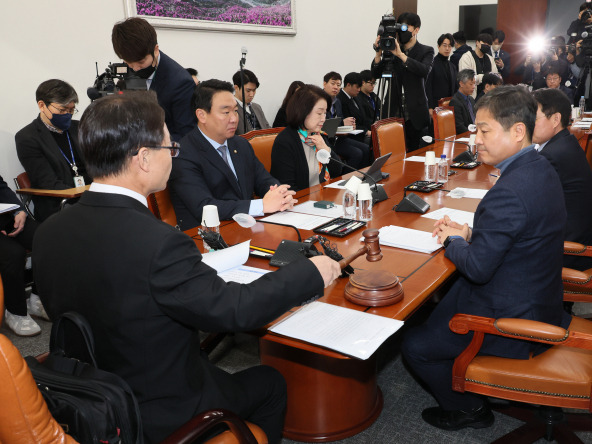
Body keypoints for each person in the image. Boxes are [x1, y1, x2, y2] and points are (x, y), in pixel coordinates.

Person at [32, 92, 341, 444]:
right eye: (169, 148)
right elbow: (235, 311)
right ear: (144, 158)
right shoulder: (158, 242)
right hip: (158, 407)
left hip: (89, 393)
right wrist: (311, 271)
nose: (173, 157)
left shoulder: (47, 232)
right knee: (271, 383)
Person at [402, 85, 569, 431]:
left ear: (518, 131)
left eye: (484, 130)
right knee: (438, 303)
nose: (475, 139)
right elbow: (521, 233)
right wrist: (470, 235)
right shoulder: (540, 166)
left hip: (513, 319)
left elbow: (478, 269)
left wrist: (453, 242)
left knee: (414, 344)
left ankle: (469, 409)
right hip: (537, 294)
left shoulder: (510, 190)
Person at [170, 80, 295, 230]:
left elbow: (263, 179)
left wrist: (279, 193)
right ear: (202, 115)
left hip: (247, 227)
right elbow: (204, 206)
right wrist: (261, 205)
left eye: (235, 111)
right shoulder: (183, 154)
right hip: (207, 236)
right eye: (226, 112)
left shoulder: (240, 144)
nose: (234, 118)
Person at [532, 88, 592, 272]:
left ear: (555, 119)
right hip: (577, 241)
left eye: (534, 118)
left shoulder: (553, 155)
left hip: (567, 252)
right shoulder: (566, 143)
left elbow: (529, 206)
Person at [15, 79, 92, 222]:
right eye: (62, 110)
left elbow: (98, 165)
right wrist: (88, 195)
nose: (67, 115)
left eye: (71, 110)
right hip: (60, 202)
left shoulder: (80, 127)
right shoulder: (27, 137)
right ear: (42, 105)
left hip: (91, 195)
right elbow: (47, 182)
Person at [112, 17, 196, 140]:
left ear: (155, 50)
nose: (135, 68)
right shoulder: (129, 69)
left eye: (141, 62)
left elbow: (186, 135)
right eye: (129, 63)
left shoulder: (180, 82)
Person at [371, 12, 434, 150]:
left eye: (406, 28)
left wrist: (400, 55)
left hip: (415, 111)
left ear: (416, 30)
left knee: (415, 151)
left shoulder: (426, 51)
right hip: (392, 107)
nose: (401, 33)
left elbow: (423, 70)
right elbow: (375, 74)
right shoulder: (391, 49)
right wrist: (378, 53)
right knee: (393, 150)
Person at [271, 85, 343, 192]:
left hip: (324, 195)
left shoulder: (318, 134)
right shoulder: (285, 142)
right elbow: (288, 188)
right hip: (303, 203)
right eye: (319, 113)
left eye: (325, 113)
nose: (324, 119)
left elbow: (337, 171)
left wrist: (325, 149)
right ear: (303, 111)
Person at [0, 175, 45, 336]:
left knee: (45, 237)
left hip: (6, 216)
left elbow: (1, 187)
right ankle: (15, 312)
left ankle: (37, 298)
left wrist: (20, 210)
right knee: (13, 254)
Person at [323, 72, 370, 168]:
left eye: (338, 85)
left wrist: (347, 127)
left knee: (366, 148)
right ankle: (345, 178)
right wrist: (342, 122)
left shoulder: (337, 102)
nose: (336, 87)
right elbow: (322, 126)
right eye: (333, 83)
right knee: (357, 153)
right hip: (326, 140)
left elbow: (339, 124)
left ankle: (362, 178)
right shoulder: (319, 101)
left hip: (338, 138)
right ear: (324, 84)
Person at [458, 33, 498, 98]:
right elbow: (466, 79)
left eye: (489, 45)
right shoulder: (467, 57)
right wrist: (484, 77)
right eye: (484, 44)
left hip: (488, 98)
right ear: (477, 42)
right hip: (471, 97)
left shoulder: (490, 59)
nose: (486, 46)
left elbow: (495, 77)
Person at [426, 33, 458, 112]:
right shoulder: (431, 64)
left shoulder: (452, 66)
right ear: (438, 46)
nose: (447, 48)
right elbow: (427, 87)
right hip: (435, 106)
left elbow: (455, 89)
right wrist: (430, 107)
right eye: (444, 45)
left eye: (449, 46)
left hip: (450, 107)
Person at [232, 69, 270, 135]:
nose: (251, 94)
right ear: (236, 88)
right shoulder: (230, 108)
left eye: (254, 90)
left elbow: (267, 128)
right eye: (248, 90)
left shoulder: (257, 107)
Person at [337, 72, 371, 143]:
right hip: (351, 136)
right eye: (357, 87)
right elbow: (349, 123)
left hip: (362, 133)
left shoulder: (356, 96)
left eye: (360, 87)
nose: (359, 90)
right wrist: (366, 131)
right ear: (348, 85)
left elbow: (363, 117)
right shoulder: (339, 99)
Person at [450, 70, 476, 134]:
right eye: (471, 84)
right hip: (465, 135)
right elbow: (459, 126)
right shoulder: (455, 101)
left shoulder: (471, 99)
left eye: (474, 84)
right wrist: (473, 134)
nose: (473, 87)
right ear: (461, 84)